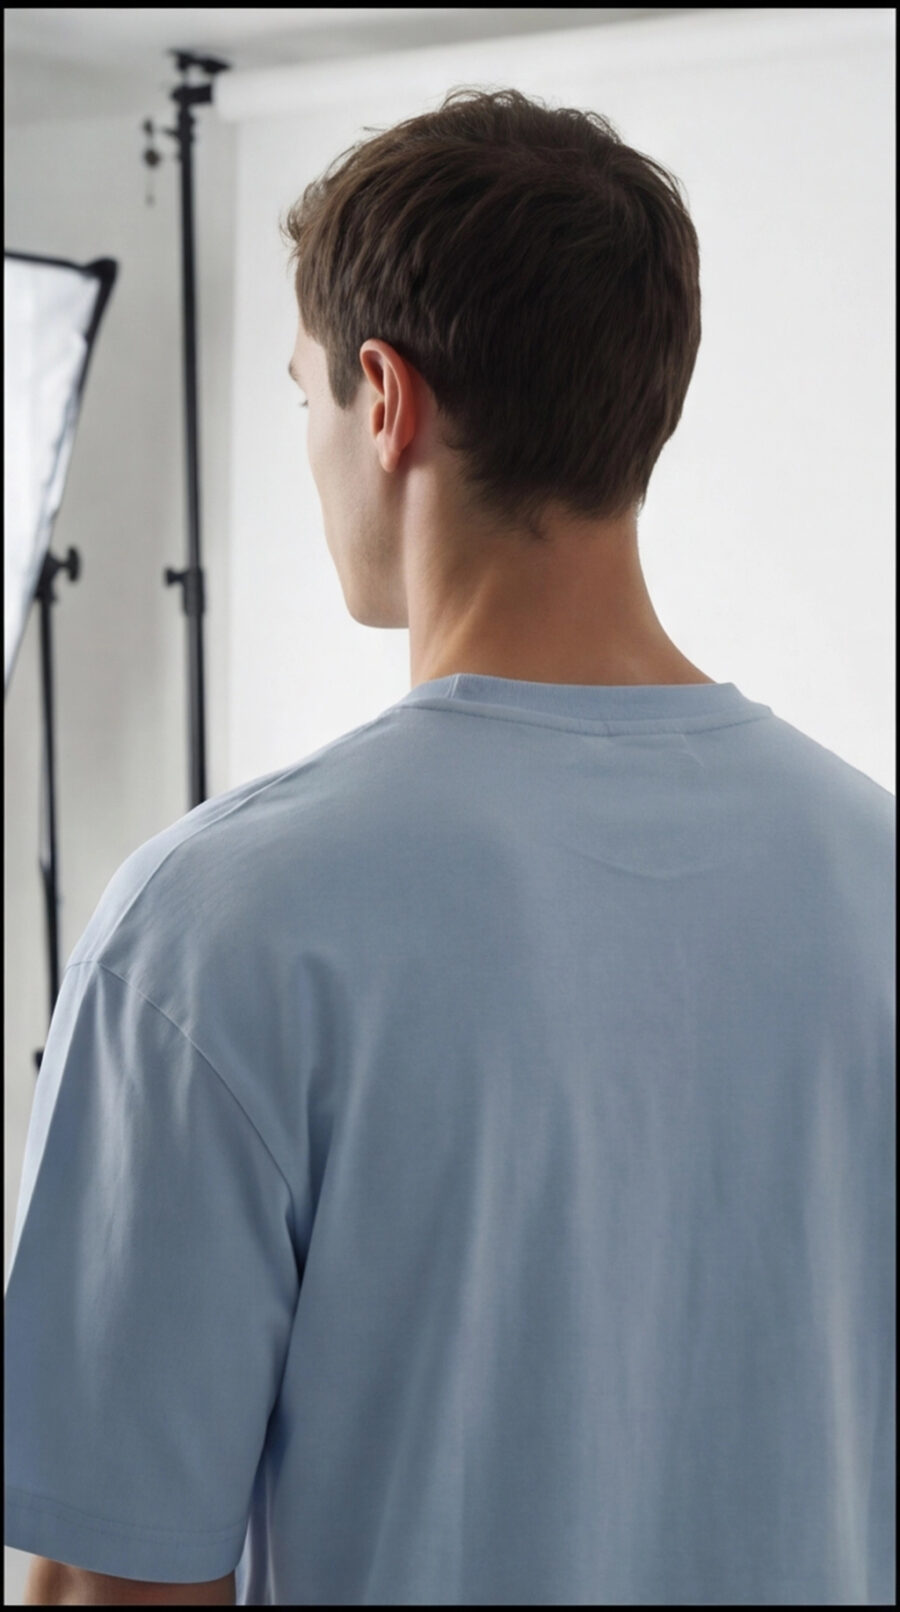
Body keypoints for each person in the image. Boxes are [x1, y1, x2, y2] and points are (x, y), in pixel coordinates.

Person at [6, 87, 894, 1607]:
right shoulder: (875, 879)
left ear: (383, 398)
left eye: (303, 396)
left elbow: (112, 1587)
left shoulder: (214, 930)